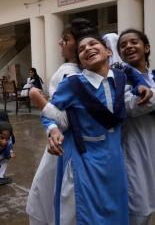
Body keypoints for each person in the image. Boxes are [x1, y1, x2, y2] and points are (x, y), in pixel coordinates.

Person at [37, 33, 154, 225]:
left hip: (114, 159)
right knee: (84, 212)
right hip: (84, 158)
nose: (87, 49)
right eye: (82, 49)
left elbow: (133, 76)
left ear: (108, 51)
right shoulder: (72, 83)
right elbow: (50, 112)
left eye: (93, 44)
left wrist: (141, 86)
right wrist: (52, 129)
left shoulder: (119, 78)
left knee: (115, 210)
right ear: (80, 60)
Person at [27, 18, 83, 225]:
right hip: (63, 142)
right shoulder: (76, 72)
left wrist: (39, 100)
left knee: (50, 193)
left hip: (65, 146)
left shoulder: (67, 72)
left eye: (66, 39)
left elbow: (62, 118)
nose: (60, 43)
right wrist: (50, 126)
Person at [117, 29, 155, 225]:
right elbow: (132, 106)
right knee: (139, 209)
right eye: (123, 45)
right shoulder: (120, 80)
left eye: (134, 42)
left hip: (152, 149)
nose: (128, 47)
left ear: (146, 47)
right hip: (135, 151)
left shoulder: (154, 77)